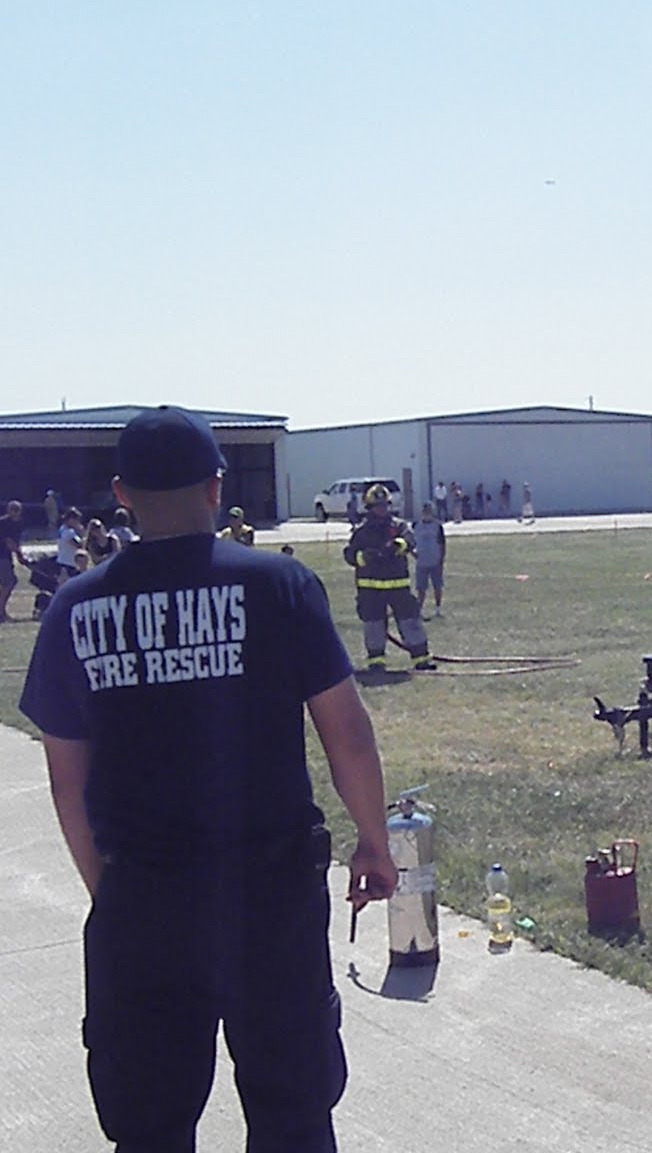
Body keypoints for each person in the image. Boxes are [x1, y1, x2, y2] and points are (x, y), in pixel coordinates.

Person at [18, 404, 398, 1152]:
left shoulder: (75, 607)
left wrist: (111, 892)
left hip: (144, 898)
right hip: (270, 896)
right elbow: (347, 733)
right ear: (216, 487)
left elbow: (67, 780)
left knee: (149, 1125)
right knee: (293, 1114)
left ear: (122, 494)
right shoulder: (280, 585)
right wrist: (374, 842)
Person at [343, 483, 434, 672]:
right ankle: (376, 662)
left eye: (385, 505)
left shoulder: (399, 526)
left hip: (398, 586)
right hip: (370, 588)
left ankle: (421, 659)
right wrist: (363, 557)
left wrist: (398, 545)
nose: (382, 509)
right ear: (369, 508)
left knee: (410, 621)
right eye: (378, 506)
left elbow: (410, 539)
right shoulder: (361, 531)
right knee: (374, 625)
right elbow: (349, 554)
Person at [413, 501, 447, 618]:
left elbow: (442, 543)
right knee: (421, 588)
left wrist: (441, 558)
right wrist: (414, 554)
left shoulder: (438, 526)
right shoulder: (416, 525)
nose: (427, 513)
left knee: (437, 586)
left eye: (429, 511)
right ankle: (419, 610)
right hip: (421, 562)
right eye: (425, 511)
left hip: (435, 561)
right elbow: (411, 541)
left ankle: (438, 609)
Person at [0, 499, 24, 620]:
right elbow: (9, 542)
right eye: (12, 510)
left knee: (11, 582)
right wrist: (19, 554)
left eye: (17, 510)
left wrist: (20, 556)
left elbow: (16, 542)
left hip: (7, 557)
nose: (14, 513)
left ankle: (2, 610)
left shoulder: (19, 524)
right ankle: (1, 612)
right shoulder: (3, 523)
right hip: (1, 556)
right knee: (8, 582)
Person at [56, 507, 86, 578]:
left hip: (64, 561)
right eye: (77, 520)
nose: (78, 522)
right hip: (68, 564)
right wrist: (83, 533)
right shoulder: (68, 532)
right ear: (71, 519)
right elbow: (80, 545)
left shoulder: (62, 528)